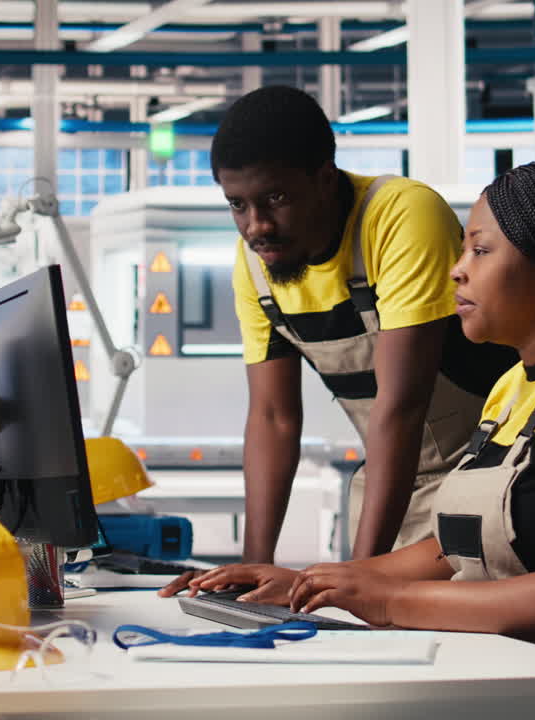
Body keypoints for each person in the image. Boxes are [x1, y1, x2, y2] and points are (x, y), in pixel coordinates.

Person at [171, 157, 535, 718]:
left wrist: (385, 603)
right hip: (519, 673)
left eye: (481, 250)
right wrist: (319, 583)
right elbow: (454, 546)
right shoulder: (517, 384)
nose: (458, 268)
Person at [196, 85, 514, 568]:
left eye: (275, 198)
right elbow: (272, 419)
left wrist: (363, 576)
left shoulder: (399, 215)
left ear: (325, 177)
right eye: (238, 205)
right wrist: (252, 572)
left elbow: (400, 406)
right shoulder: (258, 263)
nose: (256, 226)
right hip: (391, 483)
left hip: (485, 478)